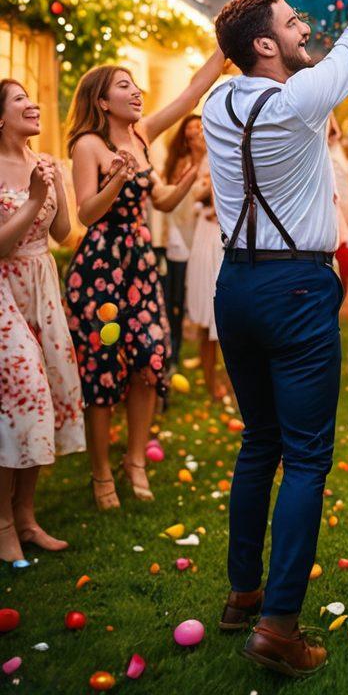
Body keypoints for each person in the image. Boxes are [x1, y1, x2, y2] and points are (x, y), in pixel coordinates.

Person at [202, 0, 348, 678]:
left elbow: (335, 52)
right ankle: (280, 624)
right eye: (291, 24)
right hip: (294, 287)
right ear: (266, 46)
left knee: (258, 441)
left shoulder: (216, 106)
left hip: (235, 287)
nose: (303, 30)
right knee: (307, 456)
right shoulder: (298, 102)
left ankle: (239, 594)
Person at [65, 49, 223, 511]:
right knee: (101, 369)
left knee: (149, 361)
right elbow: (87, 212)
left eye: (136, 85)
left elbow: (191, 94)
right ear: (101, 102)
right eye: (124, 86)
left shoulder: (142, 135)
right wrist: (114, 179)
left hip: (139, 263)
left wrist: (225, 49)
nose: (136, 92)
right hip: (100, 267)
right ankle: (100, 475)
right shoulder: (88, 146)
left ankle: (135, 461)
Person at [0, 80, 85, 564]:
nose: (33, 103)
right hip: (4, 288)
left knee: (44, 396)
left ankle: (27, 518)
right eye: (19, 100)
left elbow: (59, 232)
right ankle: (3, 524)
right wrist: (33, 197)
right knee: (22, 396)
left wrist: (58, 187)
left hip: (41, 287)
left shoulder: (45, 163)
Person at [185, 149, 228, 401]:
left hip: (228, 236)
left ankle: (235, 383)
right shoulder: (203, 159)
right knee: (206, 310)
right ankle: (211, 382)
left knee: (232, 315)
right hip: (207, 235)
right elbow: (194, 196)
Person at [162, 115, 205, 368]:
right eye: (190, 126)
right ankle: (174, 350)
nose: (194, 130)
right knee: (176, 297)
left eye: (198, 126)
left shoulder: (212, 158)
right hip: (180, 231)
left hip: (202, 229)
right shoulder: (179, 162)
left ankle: (200, 347)